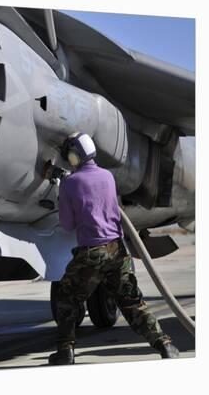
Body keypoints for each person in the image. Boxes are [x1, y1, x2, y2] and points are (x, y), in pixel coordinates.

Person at [47, 132, 179, 365]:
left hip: (92, 253)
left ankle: (65, 351)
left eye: (70, 153)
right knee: (132, 303)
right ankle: (165, 344)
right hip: (118, 250)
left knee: (66, 298)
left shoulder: (70, 183)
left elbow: (67, 224)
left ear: (76, 155)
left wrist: (62, 191)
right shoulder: (108, 176)